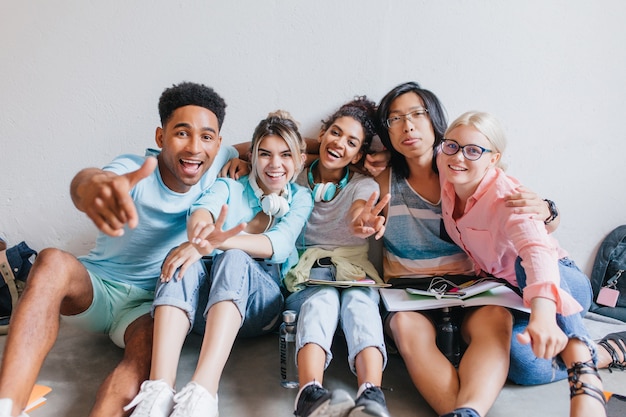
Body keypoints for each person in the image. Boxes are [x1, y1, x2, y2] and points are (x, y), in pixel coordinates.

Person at [0, 81, 239, 417]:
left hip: (148, 305)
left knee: (148, 354)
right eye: (182, 133)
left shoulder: (220, 160)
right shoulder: (134, 170)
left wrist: (254, 160)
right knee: (51, 259)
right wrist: (95, 187)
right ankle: (7, 406)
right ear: (160, 138)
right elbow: (88, 181)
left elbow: (271, 146)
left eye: (207, 137)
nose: (195, 147)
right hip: (96, 290)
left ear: (218, 143)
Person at [369, 82, 562, 417]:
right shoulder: (380, 176)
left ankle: (468, 410)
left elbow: (526, 224)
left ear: (435, 122)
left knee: (495, 321)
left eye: (417, 114)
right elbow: (325, 150)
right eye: (395, 119)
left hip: (471, 285)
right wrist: (242, 158)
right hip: (407, 291)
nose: (407, 125)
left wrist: (549, 210)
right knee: (406, 329)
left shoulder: (459, 169)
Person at [124, 110, 313, 417]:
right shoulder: (229, 187)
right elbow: (200, 214)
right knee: (180, 255)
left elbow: (277, 245)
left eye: (285, 155)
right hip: (201, 311)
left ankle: (203, 391)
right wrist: (198, 237)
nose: (275, 164)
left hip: (258, 309)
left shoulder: (301, 198)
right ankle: (158, 389)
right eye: (265, 154)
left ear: (300, 160)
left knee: (233, 257)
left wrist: (214, 243)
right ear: (251, 157)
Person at [437, 110, 606, 417]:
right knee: (522, 365)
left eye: (473, 150)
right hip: (513, 296)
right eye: (452, 145)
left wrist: (543, 314)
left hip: (561, 283)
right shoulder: (446, 168)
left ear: (493, 157)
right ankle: (605, 352)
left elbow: (536, 252)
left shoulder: (507, 196)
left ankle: (582, 364)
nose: (459, 156)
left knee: (521, 263)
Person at [282, 97, 392, 417]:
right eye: (335, 133)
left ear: (358, 154)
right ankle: (309, 392)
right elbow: (267, 148)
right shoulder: (296, 174)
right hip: (308, 271)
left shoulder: (363, 184)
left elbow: (360, 208)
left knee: (360, 301)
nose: (339, 143)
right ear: (322, 134)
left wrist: (362, 222)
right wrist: (238, 158)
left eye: (351, 142)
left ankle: (372, 393)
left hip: (354, 266)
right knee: (324, 297)